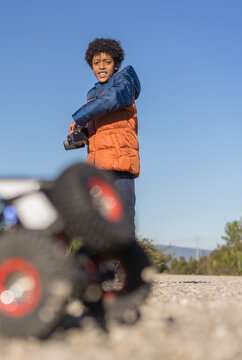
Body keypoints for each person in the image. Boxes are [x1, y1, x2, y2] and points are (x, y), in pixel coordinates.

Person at [68, 38, 141, 238]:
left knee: (123, 218)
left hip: (120, 166)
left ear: (116, 64)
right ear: (91, 66)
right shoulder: (93, 95)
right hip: (98, 167)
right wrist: (82, 132)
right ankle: (104, 267)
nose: (101, 67)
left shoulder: (124, 84)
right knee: (99, 219)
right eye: (96, 63)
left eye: (107, 62)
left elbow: (109, 101)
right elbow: (99, 124)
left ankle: (127, 267)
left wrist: (79, 116)